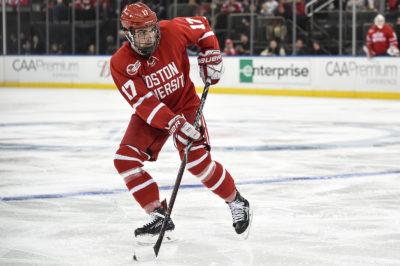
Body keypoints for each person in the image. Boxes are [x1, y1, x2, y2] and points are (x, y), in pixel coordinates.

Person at [110, 3, 252, 240]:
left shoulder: (172, 30)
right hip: (152, 116)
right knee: (125, 160)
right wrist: (172, 123)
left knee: (198, 163)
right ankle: (158, 215)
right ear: (129, 35)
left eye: (151, 30)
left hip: (185, 105)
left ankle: (236, 202)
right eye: (142, 33)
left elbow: (203, 27)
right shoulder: (121, 63)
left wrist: (211, 53)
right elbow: (143, 102)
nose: (150, 36)